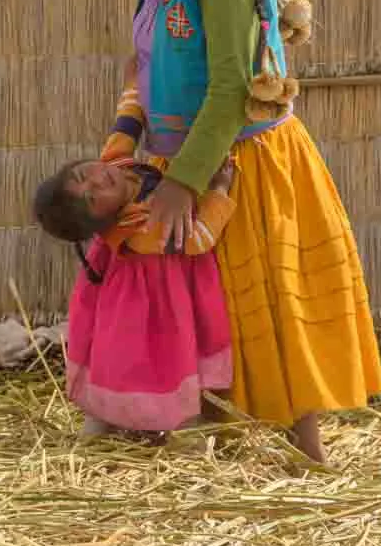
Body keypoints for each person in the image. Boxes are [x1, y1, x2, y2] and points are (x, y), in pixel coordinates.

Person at [118, 0, 381, 463]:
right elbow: (144, 57)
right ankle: (208, 426)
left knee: (269, 294)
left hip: (240, 164)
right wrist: (130, 134)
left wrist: (184, 182)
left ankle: (306, 445)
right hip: (178, 158)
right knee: (201, 303)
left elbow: (232, 89)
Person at [34, 74, 236, 435]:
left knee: (119, 357)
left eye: (85, 173)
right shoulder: (141, 227)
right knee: (151, 359)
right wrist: (219, 192)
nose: (97, 181)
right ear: (103, 220)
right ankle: (167, 423)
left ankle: (107, 418)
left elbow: (127, 121)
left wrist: (137, 77)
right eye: (92, 199)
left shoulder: (118, 163)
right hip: (153, 305)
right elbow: (196, 240)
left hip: (130, 298)